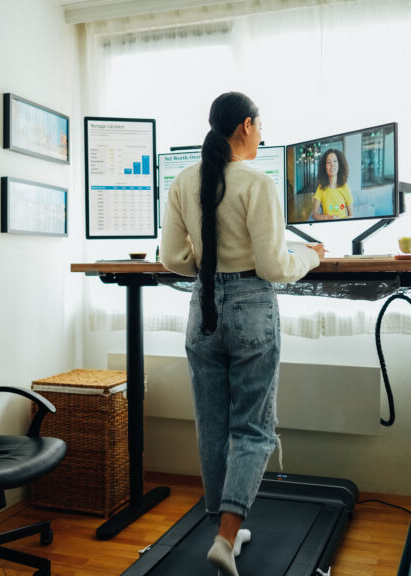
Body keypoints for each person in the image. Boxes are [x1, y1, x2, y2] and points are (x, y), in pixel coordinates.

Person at [160, 92, 325, 576]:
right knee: (252, 428)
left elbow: (172, 258)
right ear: (247, 127)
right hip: (252, 307)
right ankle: (227, 536)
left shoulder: (183, 180)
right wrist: (313, 254)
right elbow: (275, 266)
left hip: (203, 307)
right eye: (261, 125)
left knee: (212, 427)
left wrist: (209, 266)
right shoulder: (257, 181)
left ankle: (221, 530)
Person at [308, 148, 353, 220]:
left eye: (335, 161)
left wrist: (340, 222)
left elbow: (351, 215)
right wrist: (327, 218)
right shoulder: (321, 188)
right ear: (324, 167)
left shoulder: (345, 187)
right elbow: (314, 214)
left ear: (339, 165)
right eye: (328, 162)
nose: (332, 165)